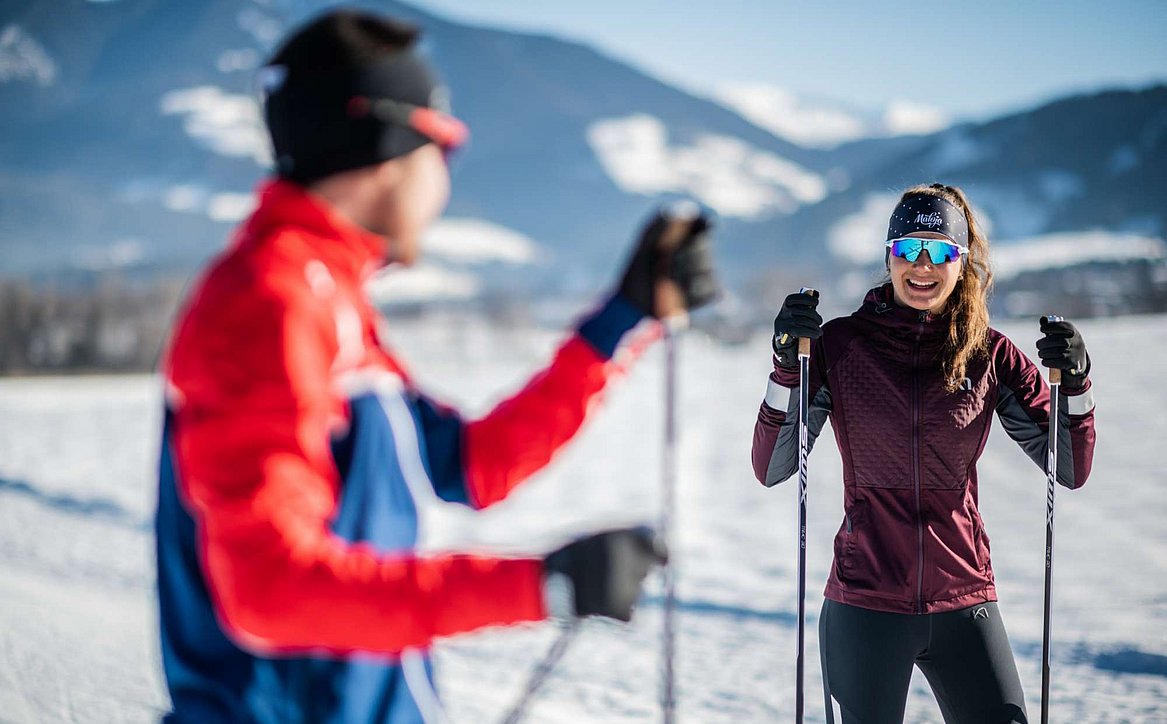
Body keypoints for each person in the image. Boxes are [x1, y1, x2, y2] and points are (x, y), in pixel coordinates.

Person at [154, 9, 716, 723]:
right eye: (442, 148)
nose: (443, 181)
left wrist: (622, 317)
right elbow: (267, 589)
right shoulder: (269, 302)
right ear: (392, 148)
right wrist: (539, 586)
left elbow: (471, 466)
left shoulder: (330, 300)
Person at [751, 183, 1096, 723]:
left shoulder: (989, 353)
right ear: (890, 256)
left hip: (964, 596)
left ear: (962, 264)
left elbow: (1069, 467)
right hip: (864, 602)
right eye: (910, 248)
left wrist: (1075, 383)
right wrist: (784, 366)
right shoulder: (840, 347)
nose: (923, 265)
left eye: (941, 251)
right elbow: (773, 466)